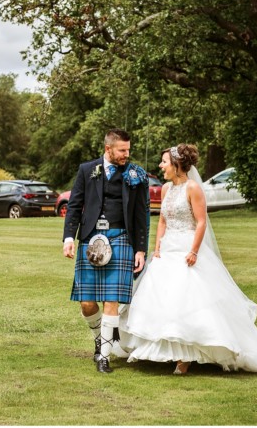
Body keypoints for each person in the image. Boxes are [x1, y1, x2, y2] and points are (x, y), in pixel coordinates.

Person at [118, 144, 257, 374]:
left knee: (189, 299)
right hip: (167, 249)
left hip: (186, 247)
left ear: (177, 165)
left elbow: (201, 222)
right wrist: (157, 248)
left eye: (165, 162)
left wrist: (193, 251)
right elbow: (162, 221)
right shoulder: (165, 189)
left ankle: (186, 357)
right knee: (162, 298)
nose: (161, 166)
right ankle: (161, 351)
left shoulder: (193, 188)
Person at [63, 128, 150, 373]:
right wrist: (69, 237)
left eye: (128, 150)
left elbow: (142, 214)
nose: (126, 154)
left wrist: (141, 249)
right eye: (122, 150)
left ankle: (104, 356)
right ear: (108, 149)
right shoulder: (86, 170)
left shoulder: (135, 174)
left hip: (122, 237)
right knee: (87, 303)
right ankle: (101, 337)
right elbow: (74, 205)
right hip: (90, 238)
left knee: (111, 300)